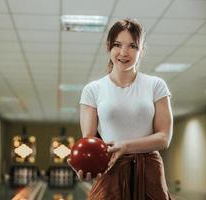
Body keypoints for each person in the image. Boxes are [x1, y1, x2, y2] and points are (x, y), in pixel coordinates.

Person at [69, 18, 174, 200]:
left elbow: (164, 138)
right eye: (117, 44)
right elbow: (90, 141)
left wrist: (124, 146)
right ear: (108, 46)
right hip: (111, 169)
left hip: (149, 171)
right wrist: (86, 163)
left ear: (141, 50)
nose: (124, 52)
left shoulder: (156, 85)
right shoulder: (93, 90)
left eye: (132, 46)